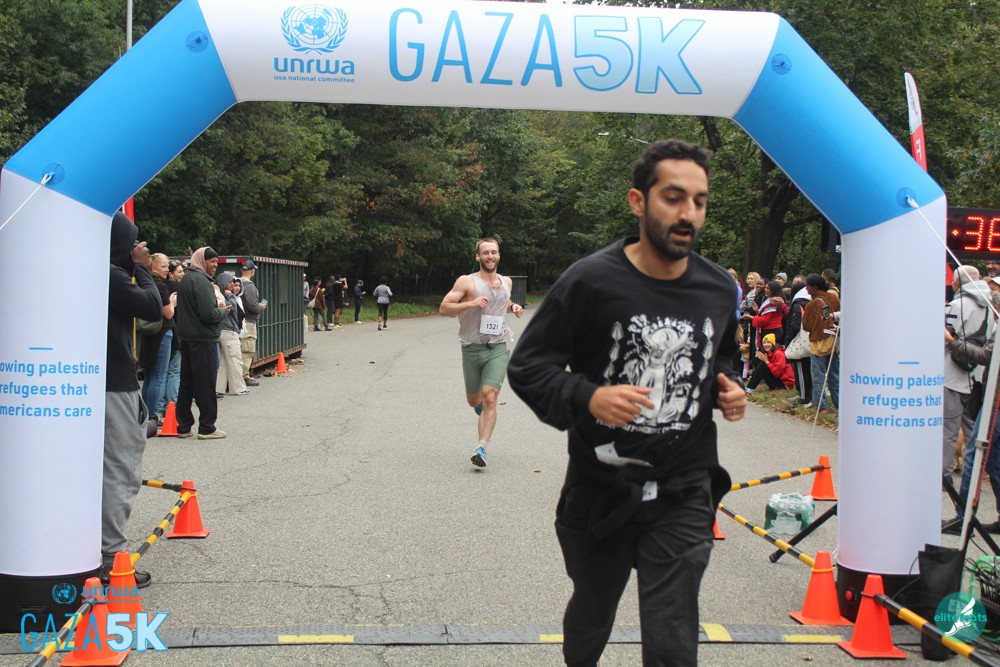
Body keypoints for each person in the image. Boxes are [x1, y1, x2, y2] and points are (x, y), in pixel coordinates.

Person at [507, 139, 746, 666]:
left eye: (700, 201)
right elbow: (528, 366)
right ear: (638, 202)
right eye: (673, 198)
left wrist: (727, 385)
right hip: (601, 487)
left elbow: (721, 355)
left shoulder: (717, 288)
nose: (688, 214)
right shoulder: (591, 280)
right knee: (593, 612)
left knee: (672, 634)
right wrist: (589, 396)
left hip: (684, 487)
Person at [103, 211, 162, 586]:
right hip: (115, 383)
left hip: (87, 381)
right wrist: (141, 267)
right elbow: (153, 307)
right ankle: (111, 558)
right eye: (134, 243)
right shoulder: (110, 275)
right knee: (121, 468)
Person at [440, 238, 524, 467]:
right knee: (474, 400)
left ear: (499, 255)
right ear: (478, 256)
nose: (490, 256)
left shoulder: (506, 282)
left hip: (498, 346)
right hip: (472, 347)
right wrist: (470, 304)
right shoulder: (466, 282)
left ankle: (481, 448)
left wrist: (513, 306)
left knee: (490, 396)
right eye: (485, 253)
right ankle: (481, 408)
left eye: (494, 252)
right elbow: (444, 308)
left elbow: (503, 302)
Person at [174, 247, 229, 439]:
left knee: (186, 384)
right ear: (201, 261)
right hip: (204, 339)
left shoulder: (186, 279)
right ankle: (207, 427)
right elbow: (208, 314)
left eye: (216, 262)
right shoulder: (202, 281)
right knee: (205, 384)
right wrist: (223, 312)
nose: (215, 265)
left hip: (187, 339)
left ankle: (183, 426)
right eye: (212, 261)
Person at [942, 266, 991, 477]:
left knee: (948, 430)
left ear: (956, 284)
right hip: (977, 376)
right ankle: (975, 473)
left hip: (952, 375)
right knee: (973, 429)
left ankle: (943, 475)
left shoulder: (957, 305)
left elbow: (943, 336)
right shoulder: (990, 307)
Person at [139, 253, 177, 422]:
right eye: (163, 266)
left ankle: (145, 413)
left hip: (149, 332)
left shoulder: (145, 285)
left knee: (149, 375)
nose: (167, 270)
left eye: (167, 266)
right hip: (163, 332)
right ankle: (153, 415)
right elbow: (168, 313)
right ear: (153, 268)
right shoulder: (160, 287)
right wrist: (172, 303)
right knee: (158, 376)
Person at [801, 273, 841, 413]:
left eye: (808, 286)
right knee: (834, 375)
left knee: (818, 376)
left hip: (818, 342)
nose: (806, 289)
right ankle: (839, 404)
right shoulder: (833, 298)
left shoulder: (812, 304)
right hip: (833, 341)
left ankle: (820, 405)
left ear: (814, 287)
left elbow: (806, 325)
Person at [157, 260, 185, 418]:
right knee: (174, 371)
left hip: (161, 332)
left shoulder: (159, 287)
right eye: (179, 271)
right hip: (176, 333)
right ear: (171, 274)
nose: (182, 274)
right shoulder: (178, 290)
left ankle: (159, 407)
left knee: (162, 372)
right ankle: (172, 407)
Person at [216, 272, 248, 396]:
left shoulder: (217, 295)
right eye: (230, 282)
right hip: (229, 330)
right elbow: (233, 308)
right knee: (235, 359)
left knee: (223, 362)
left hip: (221, 330)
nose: (232, 285)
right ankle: (238, 388)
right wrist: (230, 295)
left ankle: (218, 388)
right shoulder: (228, 296)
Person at [239, 260, 266, 386]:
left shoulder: (236, 283)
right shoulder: (249, 286)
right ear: (252, 271)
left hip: (239, 321)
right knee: (247, 349)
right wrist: (261, 307)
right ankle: (244, 376)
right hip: (249, 321)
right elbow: (252, 306)